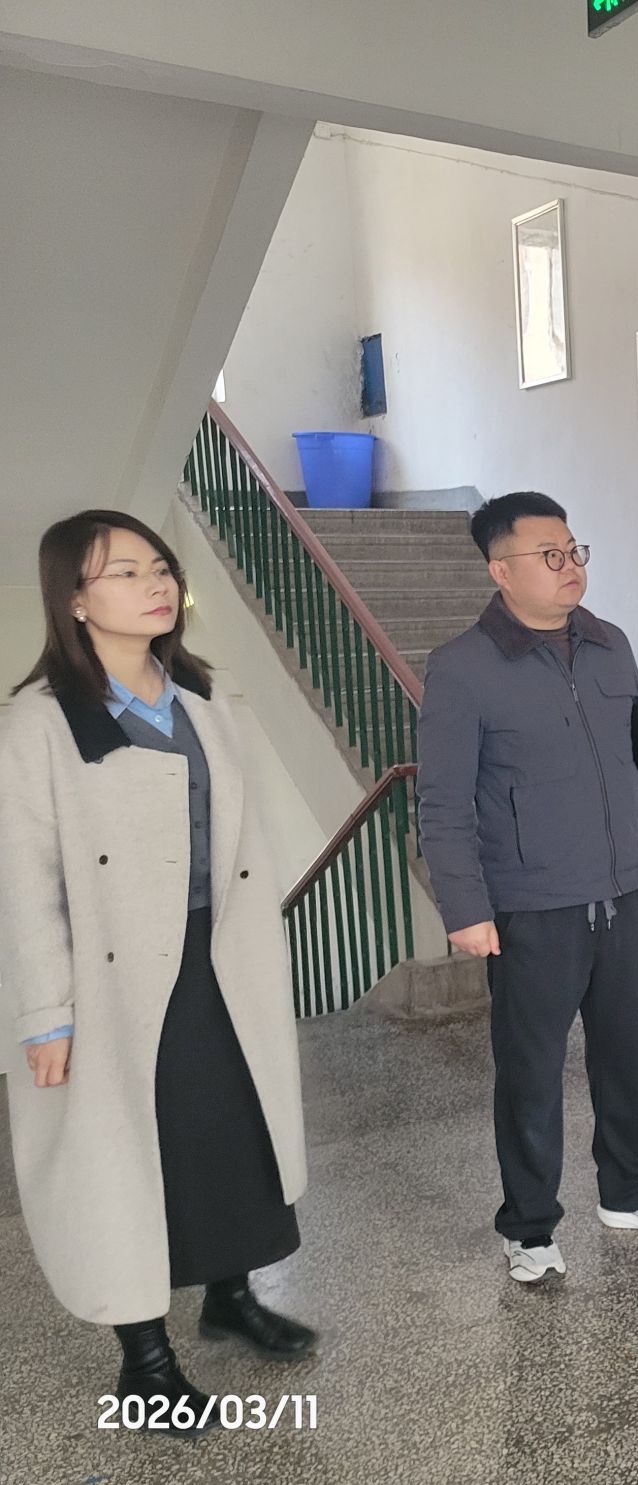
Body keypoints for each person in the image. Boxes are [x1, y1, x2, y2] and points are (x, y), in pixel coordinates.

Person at [0, 511, 315, 1436]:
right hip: (114, 978)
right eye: (126, 571)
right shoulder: (43, 722)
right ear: (73, 600)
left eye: (161, 567)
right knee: (128, 1155)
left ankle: (231, 1295)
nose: (156, 584)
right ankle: (144, 1361)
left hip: (218, 957)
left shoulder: (202, 700)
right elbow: (25, 883)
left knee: (232, 1133)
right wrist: (46, 1015)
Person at [416, 491, 638, 1283]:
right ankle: (531, 1225)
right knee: (532, 1074)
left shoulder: (611, 646)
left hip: (621, 893)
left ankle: (632, 1191)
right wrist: (465, 907)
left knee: (629, 1056)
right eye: (550, 555)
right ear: (500, 570)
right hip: (531, 907)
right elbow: (442, 803)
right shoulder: (463, 668)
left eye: (574, 550)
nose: (570, 566)